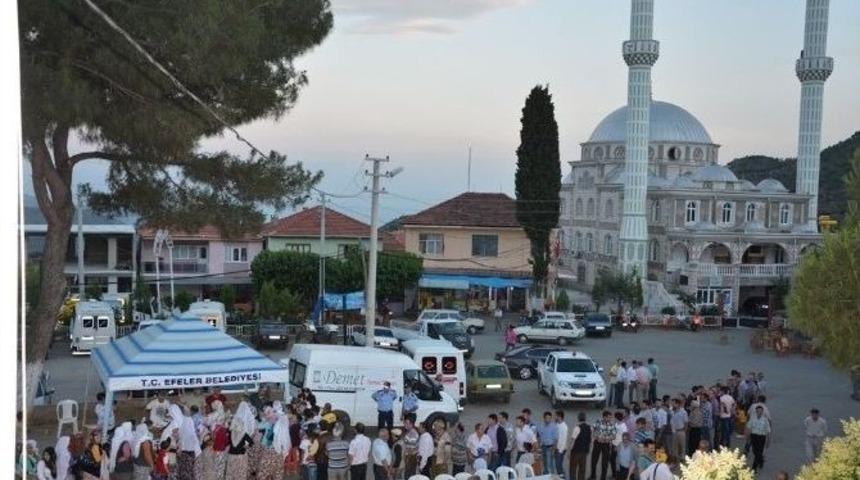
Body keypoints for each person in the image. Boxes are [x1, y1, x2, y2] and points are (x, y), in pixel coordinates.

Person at [227, 401, 256, 480]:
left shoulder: (231, 432)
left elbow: (228, 442)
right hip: (241, 457)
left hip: (231, 456)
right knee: (240, 474)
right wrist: (244, 446)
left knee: (231, 474)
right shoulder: (244, 434)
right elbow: (251, 443)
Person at [591, 411, 617, 480]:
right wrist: (596, 437)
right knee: (594, 460)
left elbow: (614, 435)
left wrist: (607, 439)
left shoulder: (612, 424)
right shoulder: (598, 421)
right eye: (609, 417)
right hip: (597, 443)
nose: (610, 419)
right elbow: (592, 429)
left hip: (606, 444)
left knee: (604, 462)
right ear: (604, 417)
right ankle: (593, 476)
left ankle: (603, 478)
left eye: (610, 417)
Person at [746, 405, 771, 472]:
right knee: (755, 451)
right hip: (754, 436)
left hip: (761, 437)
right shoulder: (752, 418)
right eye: (758, 411)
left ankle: (754, 468)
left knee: (759, 452)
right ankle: (761, 460)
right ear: (756, 411)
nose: (759, 412)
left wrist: (768, 440)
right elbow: (749, 428)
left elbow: (768, 430)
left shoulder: (765, 420)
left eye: (760, 411)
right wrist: (747, 438)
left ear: (762, 412)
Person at [568, 412, 591, 480]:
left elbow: (573, 440)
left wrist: (569, 451)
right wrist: (588, 449)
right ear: (585, 418)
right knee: (582, 469)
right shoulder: (589, 427)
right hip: (584, 451)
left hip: (576, 451)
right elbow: (590, 440)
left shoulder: (577, 428)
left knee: (573, 469)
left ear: (578, 418)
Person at [554, 410, 568, 478]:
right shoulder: (557, 424)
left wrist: (560, 451)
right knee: (558, 465)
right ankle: (561, 476)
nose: (555, 417)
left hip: (561, 449)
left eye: (556, 416)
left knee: (558, 465)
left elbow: (563, 439)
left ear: (559, 417)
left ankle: (563, 477)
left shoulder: (564, 426)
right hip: (557, 448)